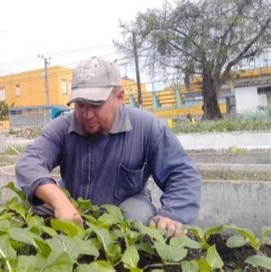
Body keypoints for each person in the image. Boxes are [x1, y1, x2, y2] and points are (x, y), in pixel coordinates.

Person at [15, 56, 201, 237]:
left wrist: (173, 214)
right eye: (80, 104)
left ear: (119, 97)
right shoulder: (63, 128)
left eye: (95, 104)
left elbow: (182, 173)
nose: (86, 114)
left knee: (138, 218)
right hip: (74, 209)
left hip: (125, 207)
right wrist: (60, 201)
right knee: (35, 208)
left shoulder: (147, 127)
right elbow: (29, 163)